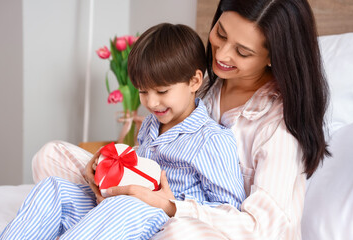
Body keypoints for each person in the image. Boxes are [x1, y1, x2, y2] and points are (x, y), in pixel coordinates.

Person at [29, 0, 329, 238]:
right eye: (221, 34)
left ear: (273, 56)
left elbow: (263, 230)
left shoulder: (279, 127)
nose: (221, 54)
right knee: (51, 156)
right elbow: (154, 154)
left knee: (180, 232)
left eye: (242, 51)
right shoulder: (204, 82)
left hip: (199, 224)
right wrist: (107, 167)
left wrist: (171, 207)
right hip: (150, 201)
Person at [0, 23, 245, 240]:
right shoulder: (151, 124)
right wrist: (105, 167)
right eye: (143, 92)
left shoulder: (212, 140)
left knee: (125, 206)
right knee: (53, 188)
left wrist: (171, 204)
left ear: (194, 81)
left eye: (161, 92)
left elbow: (229, 212)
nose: (151, 102)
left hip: (163, 219)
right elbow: (139, 167)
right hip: (121, 209)